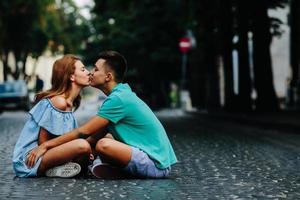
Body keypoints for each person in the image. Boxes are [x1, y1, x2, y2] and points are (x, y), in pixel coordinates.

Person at [26, 50, 177, 178]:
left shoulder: (118, 99)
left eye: (96, 69)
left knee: (104, 145)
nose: (91, 72)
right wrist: (78, 152)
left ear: (108, 77)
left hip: (156, 164)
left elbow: (84, 132)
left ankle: (115, 169)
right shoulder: (120, 95)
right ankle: (101, 166)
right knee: (101, 141)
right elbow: (93, 138)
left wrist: (46, 146)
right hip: (155, 161)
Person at [12, 54, 91, 177]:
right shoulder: (59, 102)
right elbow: (42, 141)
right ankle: (53, 169)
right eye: (83, 69)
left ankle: (58, 169)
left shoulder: (69, 104)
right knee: (83, 145)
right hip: (31, 159)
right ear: (71, 76)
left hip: (47, 154)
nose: (88, 72)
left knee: (88, 149)